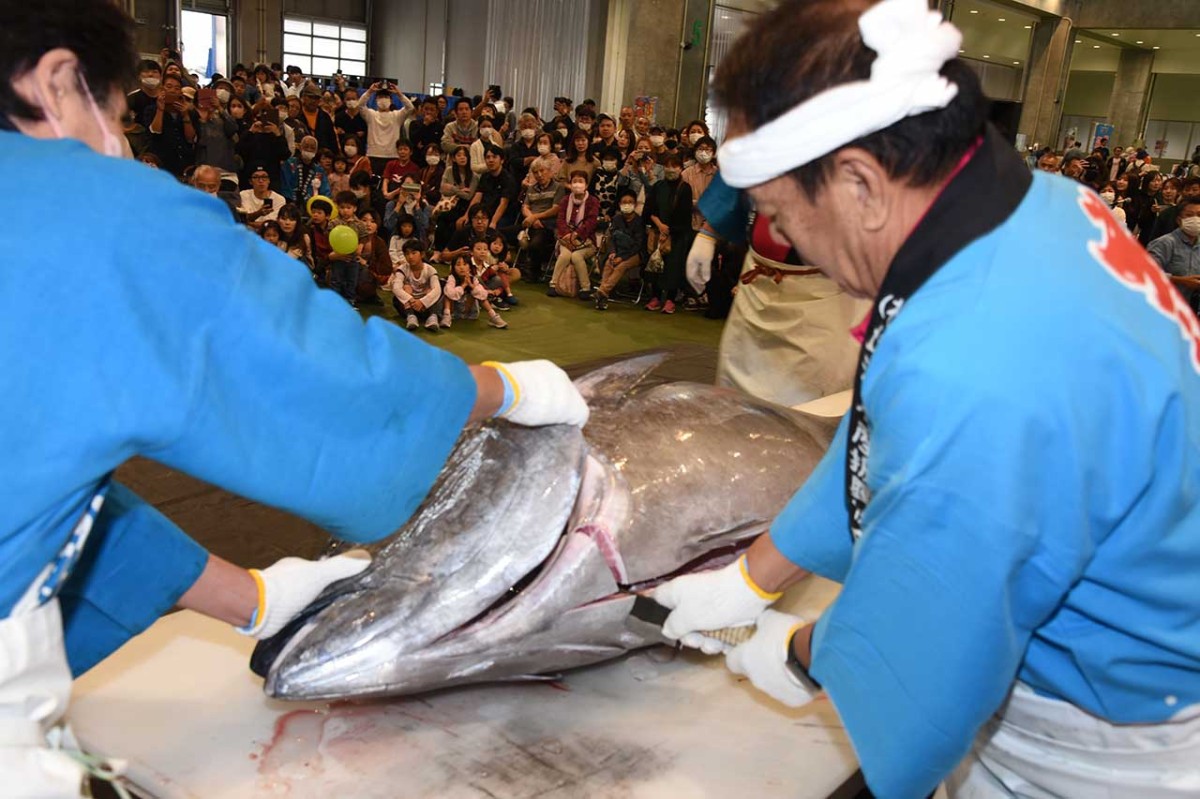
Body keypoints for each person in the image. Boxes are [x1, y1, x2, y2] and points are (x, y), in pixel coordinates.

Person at [0, 3, 590, 795]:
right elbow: (316, 371)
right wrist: (499, 386)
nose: (118, 143)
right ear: (58, 82)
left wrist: (252, 597)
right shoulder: (82, 209)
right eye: (112, 114)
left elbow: (36, 492)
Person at [652, 2, 1200, 798]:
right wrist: (755, 574)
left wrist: (800, 651)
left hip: (1110, 734)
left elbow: (927, 637)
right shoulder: (1035, 206)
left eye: (779, 216)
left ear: (859, 183)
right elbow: (878, 433)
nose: (789, 243)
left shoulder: (975, 360)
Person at [643, 153, 694, 314]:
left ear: (680, 169)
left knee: (673, 266)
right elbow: (648, 210)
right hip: (657, 232)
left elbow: (685, 216)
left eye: (675, 166)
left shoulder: (685, 188)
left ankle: (670, 299)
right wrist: (659, 225)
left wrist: (669, 230)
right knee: (654, 266)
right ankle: (655, 297)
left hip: (677, 235)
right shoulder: (658, 186)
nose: (671, 170)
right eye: (668, 166)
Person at [547, 170, 599, 300]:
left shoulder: (593, 201)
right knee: (565, 255)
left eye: (580, 181)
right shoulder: (565, 200)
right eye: (574, 181)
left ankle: (585, 288)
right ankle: (553, 284)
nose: (577, 184)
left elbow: (591, 222)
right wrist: (567, 235)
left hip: (586, 241)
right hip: (566, 239)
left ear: (586, 185)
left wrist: (576, 234)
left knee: (576, 256)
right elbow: (560, 220)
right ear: (570, 185)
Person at [593, 188, 646, 310]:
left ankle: (602, 291)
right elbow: (611, 239)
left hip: (635, 254)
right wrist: (612, 253)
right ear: (619, 204)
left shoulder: (639, 221)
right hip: (617, 251)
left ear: (635, 204)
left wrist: (622, 257)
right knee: (608, 263)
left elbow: (638, 245)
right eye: (624, 202)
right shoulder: (616, 219)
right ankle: (603, 296)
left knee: (621, 266)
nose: (627, 204)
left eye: (630, 202)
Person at [1147, 197, 1200, 314]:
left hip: (1191, 312)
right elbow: (1148, 274)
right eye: (1190, 215)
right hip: (1163, 309)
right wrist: (1181, 280)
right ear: (1179, 220)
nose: (1196, 219)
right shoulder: (1164, 243)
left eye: (1199, 215)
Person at [143, 72, 196, 177]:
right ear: (162, 89)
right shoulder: (151, 110)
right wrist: (160, 109)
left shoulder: (188, 112)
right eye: (169, 87)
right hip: (162, 164)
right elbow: (155, 132)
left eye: (177, 88)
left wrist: (185, 115)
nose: (173, 90)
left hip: (185, 164)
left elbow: (191, 139)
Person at [520, 156, 566, 278]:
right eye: (535, 172)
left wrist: (534, 217)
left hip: (548, 223)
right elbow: (525, 207)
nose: (539, 175)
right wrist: (531, 218)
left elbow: (555, 209)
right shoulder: (531, 188)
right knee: (502, 233)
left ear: (550, 172)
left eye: (542, 171)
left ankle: (533, 272)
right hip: (531, 223)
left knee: (535, 243)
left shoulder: (558, 187)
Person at [389, 240, 443, 331]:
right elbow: (396, 287)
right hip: (409, 305)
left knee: (433, 290)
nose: (410, 257)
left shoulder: (430, 270)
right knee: (405, 289)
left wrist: (422, 302)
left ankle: (432, 317)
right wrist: (411, 299)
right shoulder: (402, 269)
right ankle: (411, 316)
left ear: (422, 254)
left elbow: (437, 289)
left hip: (426, 306)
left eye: (414, 253)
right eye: (407, 254)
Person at [361, 82, 415, 174]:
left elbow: (410, 108)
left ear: (391, 100)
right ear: (376, 100)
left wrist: (399, 93)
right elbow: (360, 105)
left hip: (392, 155)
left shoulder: (397, 116)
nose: (383, 100)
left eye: (386, 97)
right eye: (380, 97)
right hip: (374, 155)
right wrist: (369, 91)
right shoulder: (371, 115)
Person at [468, 145, 518, 232]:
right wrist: (467, 215)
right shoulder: (485, 176)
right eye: (488, 157)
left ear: (502, 160)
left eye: (494, 157)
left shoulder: (508, 179)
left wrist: (493, 222)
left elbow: (503, 204)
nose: (491, 160)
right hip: (485, 213)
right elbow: (477, 197)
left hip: (503, 215)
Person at [280, 135, 329, 206]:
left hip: (311, 205)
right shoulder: (290, 164)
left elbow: (324, 190)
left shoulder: (319, 170)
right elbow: (285, 184)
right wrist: (289, 201)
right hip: (289, 202)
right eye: (306, 146)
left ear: (316, 151)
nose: (309, 149)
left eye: (312, 148)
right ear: (300, 147)